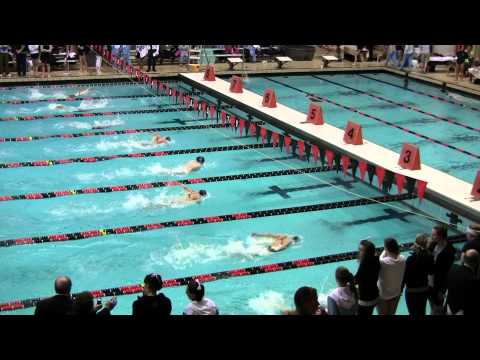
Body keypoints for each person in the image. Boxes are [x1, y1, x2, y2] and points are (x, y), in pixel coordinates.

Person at [403, 234, 434, 316]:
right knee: (421, 312)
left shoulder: (410, 259)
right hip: (424, 290)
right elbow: (431, 273)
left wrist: (400, 288)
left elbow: (405, 276)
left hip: (411, 291)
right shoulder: (429, 257)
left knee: (412, 313)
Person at [428, 223, 455, 315]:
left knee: (437, 308)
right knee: (432, 305)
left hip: (438, 285)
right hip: (428, 282)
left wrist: (441, 290)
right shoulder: (432, 245)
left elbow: (446, 272)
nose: (431, 236)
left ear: (441, 236)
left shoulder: (449, 250)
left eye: (434, 234)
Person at [377, 238, 406, 315]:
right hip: (396, 293)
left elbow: (381, 257)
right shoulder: (403, 259)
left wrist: (384, 250)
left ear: (386, 248)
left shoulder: (383, 262)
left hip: (383, 295)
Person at [446, 249, 480, 315]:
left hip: (449, 308)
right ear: (476, 262)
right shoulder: (473, 279)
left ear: (464, 259)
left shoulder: (452, 269)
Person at [354, 239, 380, 315]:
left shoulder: (364, 264)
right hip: (375, 296)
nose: (359, 252)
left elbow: (356, 280)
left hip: (365, 300)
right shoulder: (376, 259)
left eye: (361, 250)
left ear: (367, 252)